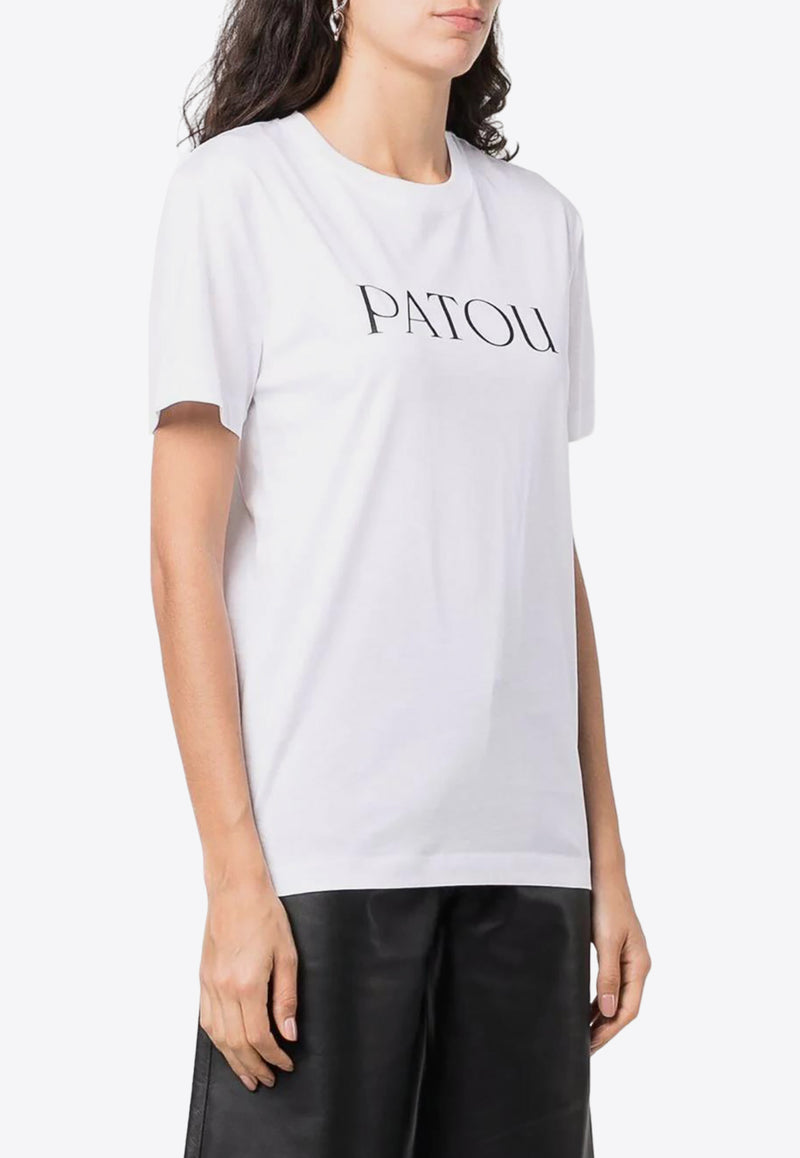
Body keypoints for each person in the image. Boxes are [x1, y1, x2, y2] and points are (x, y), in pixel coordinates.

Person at [148, 2, 651, 1155]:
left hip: (525, 861)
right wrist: (234, 878)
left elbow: (540, 551)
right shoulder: (240, 193)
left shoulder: (538, 225)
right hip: (324, 856)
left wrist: (604, 860)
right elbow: (183, 560)